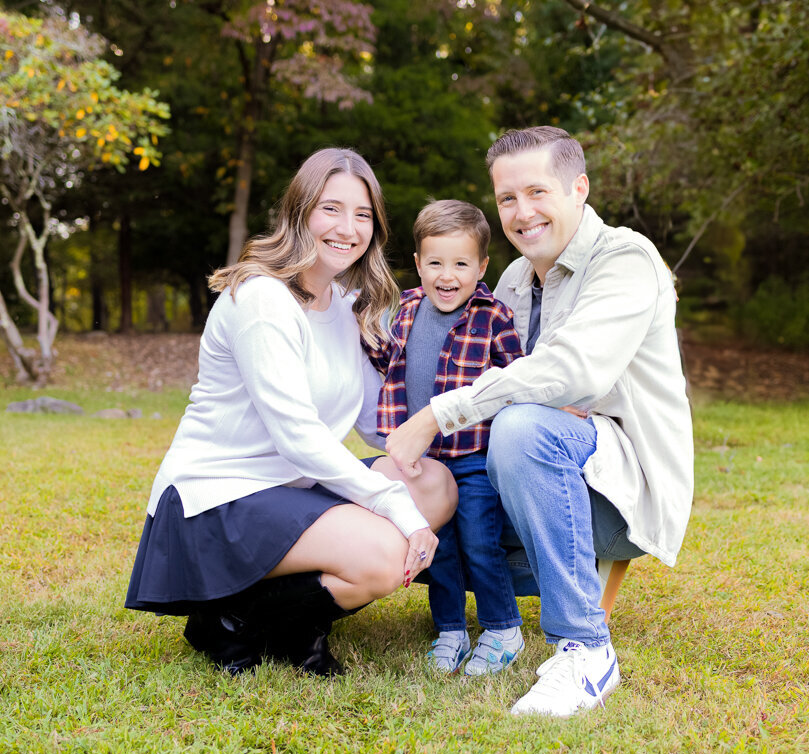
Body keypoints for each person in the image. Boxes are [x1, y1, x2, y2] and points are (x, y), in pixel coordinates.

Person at [386, 127, 694, 716]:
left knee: (523, 427)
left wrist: (444, 413)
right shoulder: (512, 281)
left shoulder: (627, 260)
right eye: (507, 199)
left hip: (617, 492)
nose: (522, 212)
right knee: (420, 474)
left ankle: (586, 652)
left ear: (578, 188)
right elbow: (533, 384)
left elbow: (573, 371)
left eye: (537, 191)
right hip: (520, 480)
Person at [125, 148, 458, 677]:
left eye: (363, 214)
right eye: (332, 208)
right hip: (216, 498)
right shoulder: (262, 300)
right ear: (300, 210)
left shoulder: (348, 307)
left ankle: (283, 621)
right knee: (381, 552)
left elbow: (380, 426)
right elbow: (299, 439)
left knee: (435, 484)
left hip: (289, 492)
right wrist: (396, 507)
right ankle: (227, 622)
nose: (348, 228)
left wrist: (467, 424)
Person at [365, 199, 525, 676]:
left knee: (479, 541)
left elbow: (513, 383)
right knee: (441, 546)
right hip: (423, 461)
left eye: (460, 263)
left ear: (481, 266)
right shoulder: (405, 310)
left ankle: (502, 627)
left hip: (474, 458)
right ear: (417, 264)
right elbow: (383, 362)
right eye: (435, 262)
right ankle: (450, 630)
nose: (447, 275)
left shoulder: (494, 316)